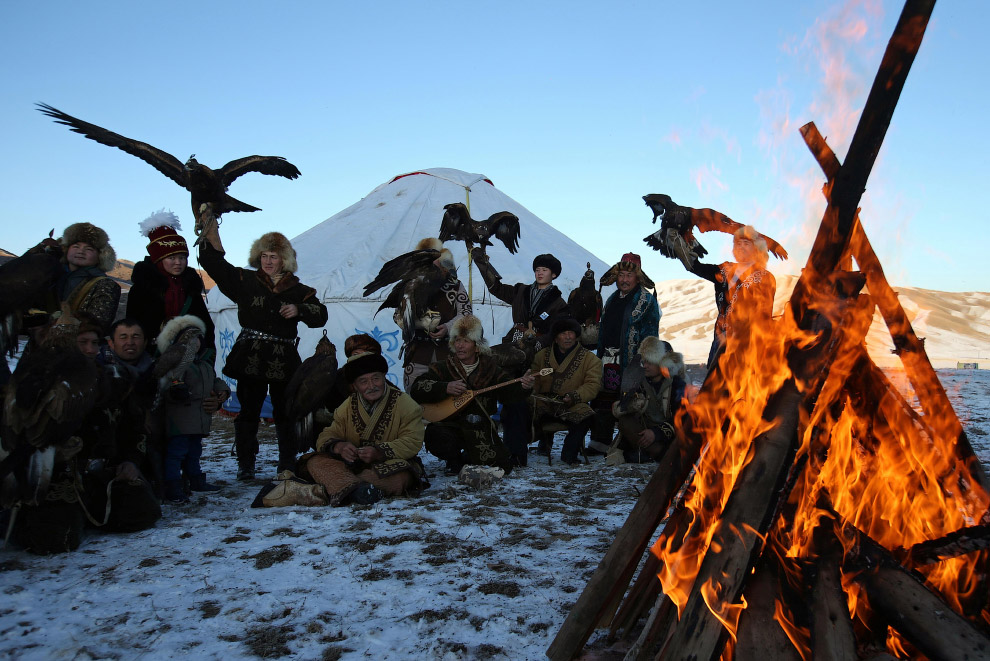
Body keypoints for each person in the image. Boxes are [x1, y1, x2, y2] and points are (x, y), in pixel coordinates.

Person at [12, 316, 161, 554]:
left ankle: (81, 515)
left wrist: (131, 461)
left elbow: (135, 428)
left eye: (94, 343)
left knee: (142, 513)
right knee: (56, 541)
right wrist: (56, 452)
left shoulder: (115, 379)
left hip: (102, 474)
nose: (91, 350)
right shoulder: (40, 383)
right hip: (57, 477)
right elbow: (19, 439)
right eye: (83, 343)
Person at [197, 225, 329, 480]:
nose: (268, 261)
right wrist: (208, 231)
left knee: (285, 412)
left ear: (284, 260)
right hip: (252, 355)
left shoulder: (299, 290)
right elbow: (215, 266)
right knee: (249, 412)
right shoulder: (245, 281)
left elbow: (321, 315)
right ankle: (246, 464)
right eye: (265, 256)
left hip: (283, 357)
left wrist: (299, 309)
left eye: (274, 256)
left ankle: (287, 463)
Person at [470, 250, 570, 463]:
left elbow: (555, 330)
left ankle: (523, 447)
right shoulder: (521, 291)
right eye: (537, 269)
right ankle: (502, 447)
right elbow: (495, 288)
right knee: (508, 393)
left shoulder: (558, 303)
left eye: (544, 269)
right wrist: (483, 264)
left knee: (526, 397)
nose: (539, 273)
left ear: (554, 274)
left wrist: (538, 342)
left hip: (539, 350)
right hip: (515, 343)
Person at [409, 315, 535, 475]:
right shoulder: (443, 367)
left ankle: (467, 457)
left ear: (477, 347)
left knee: (504, 467)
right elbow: (417, 388)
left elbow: (509, 394)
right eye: (457, 340)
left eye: (466, 341)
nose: (460, 346)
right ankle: (453, 459)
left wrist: (524, 386)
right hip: (451, 425)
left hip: (479, 427)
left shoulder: (490, 369)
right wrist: (445, 387)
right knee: (436, 435)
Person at [302, 352, 428, 506]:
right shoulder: (347, 405)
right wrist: (339, 446)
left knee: (400, 477)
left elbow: (412, 441)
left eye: (376, 378)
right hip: (351, 465)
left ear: (384, 377)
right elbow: (328, 433)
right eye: (363, 381)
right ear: (354, 386)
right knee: (315, 461)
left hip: (388, 465)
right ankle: (358, 490)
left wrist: (379, 452)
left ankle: (338, 488)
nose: (371, 386)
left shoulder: (407, 405)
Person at [590, 252, 662, 454]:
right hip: (607, 356)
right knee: (603, 398)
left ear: (637, 277)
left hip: (631, 360)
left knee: (629, 400)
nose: (624, 280)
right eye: (621, 275)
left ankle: (629, 444)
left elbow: (651, 334)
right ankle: (599, 444)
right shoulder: (612, 298)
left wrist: (643, 360)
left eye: (628, 276)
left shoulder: (647, 301)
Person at [155, 315, 230, 503]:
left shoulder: (204, 364)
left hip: (199, 419)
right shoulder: (180, 363)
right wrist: (175, 389)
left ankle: (195, 479)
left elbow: (216, 381)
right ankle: (172, 485)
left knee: (195, 451)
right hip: (180, 419)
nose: (194, 343)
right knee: (176, 453)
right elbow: (166, 383)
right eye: (189, 338)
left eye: (197, 338)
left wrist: (223, 392)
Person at [686, 225, 777, 370]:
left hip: (748, 344)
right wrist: (683, 243)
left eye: (746, 243)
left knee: (741, 388)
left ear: (757, 249)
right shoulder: (724, 270)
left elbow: (763, 316)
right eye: (738, 243)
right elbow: (695, 267)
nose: (741, 247)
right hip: (720, 340)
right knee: (713, 387)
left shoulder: (764, 277)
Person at [127, 209, 215, 354]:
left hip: (189, 355)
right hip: (150, 356)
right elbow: (134, 325)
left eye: (182, 257)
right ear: (159, 260)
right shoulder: (142, 289)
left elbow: (206, 326)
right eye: (171, 258)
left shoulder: (190, 287)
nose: (178, 263)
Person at [397, 238, 472, 390]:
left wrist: (448, 327)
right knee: (416, 395)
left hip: (448, 354)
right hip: (418, 353)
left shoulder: (455, 285)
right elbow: (398, 316)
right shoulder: (410, 284)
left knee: (448, 397)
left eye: (436, 259)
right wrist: (422, 323)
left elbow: (466, 314)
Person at [530, 317, 602, 464]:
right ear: (555, 337)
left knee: (587, 415)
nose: (568, 337)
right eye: (563, 333)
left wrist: (575, 396)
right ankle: (536, 445)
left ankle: (569, 453)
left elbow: (592, 385)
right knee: (523, 408)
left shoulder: (590, 359)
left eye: (571, 333)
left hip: (571, 403)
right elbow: (534, 380)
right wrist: (531, 391)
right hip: (544, 403)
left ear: (577, 336)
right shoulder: (541, 356)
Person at [612, 337, 686, 463]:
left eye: (650, 362)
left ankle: (652, 454)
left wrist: (656, 433)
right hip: (643, 433)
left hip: (668, 434)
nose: (645, 366)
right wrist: (630, 406)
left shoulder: (677, 384)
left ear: (662, 363)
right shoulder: (638, 382)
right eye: (643, 361)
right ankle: (658, 454)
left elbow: (683, 416)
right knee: (625, 421)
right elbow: (618, 409)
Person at [44, 222, 122, 336]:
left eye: (89, 249)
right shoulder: (50, 277)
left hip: (81, 347)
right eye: (76, 246)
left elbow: (98, 323)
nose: (81, 251)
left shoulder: (105, 285)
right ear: (66, 250)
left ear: (100, 256)